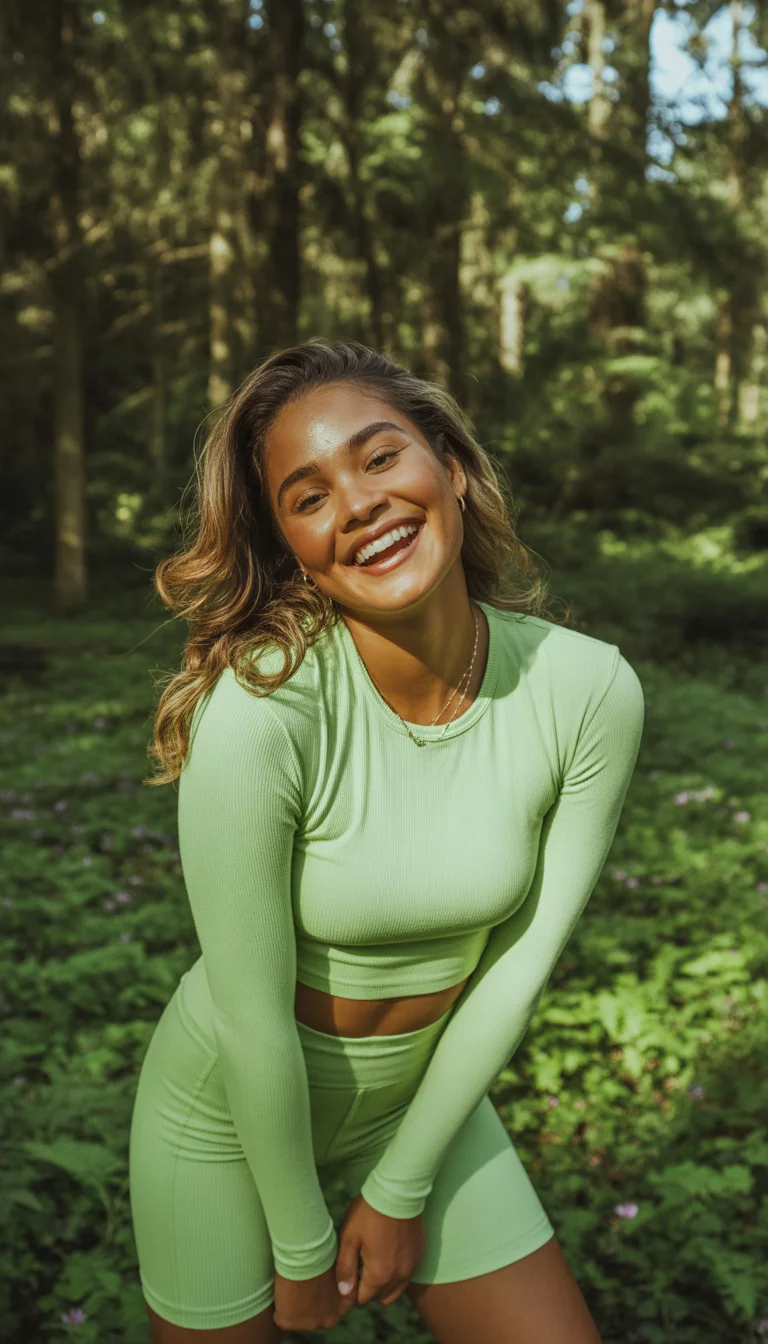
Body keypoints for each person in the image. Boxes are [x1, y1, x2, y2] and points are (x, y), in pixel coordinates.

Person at [128, 339, 645, 1344]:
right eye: (307, 495)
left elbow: (519, 963)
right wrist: (300, 1247)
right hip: (227, 1118)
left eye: (379, 457)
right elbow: (250, 1019)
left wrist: (402, 1186)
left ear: (449, 465)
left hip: (425, 1105)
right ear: (286, 543)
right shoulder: (266, 707)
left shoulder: (589, 691)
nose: (359, 505)